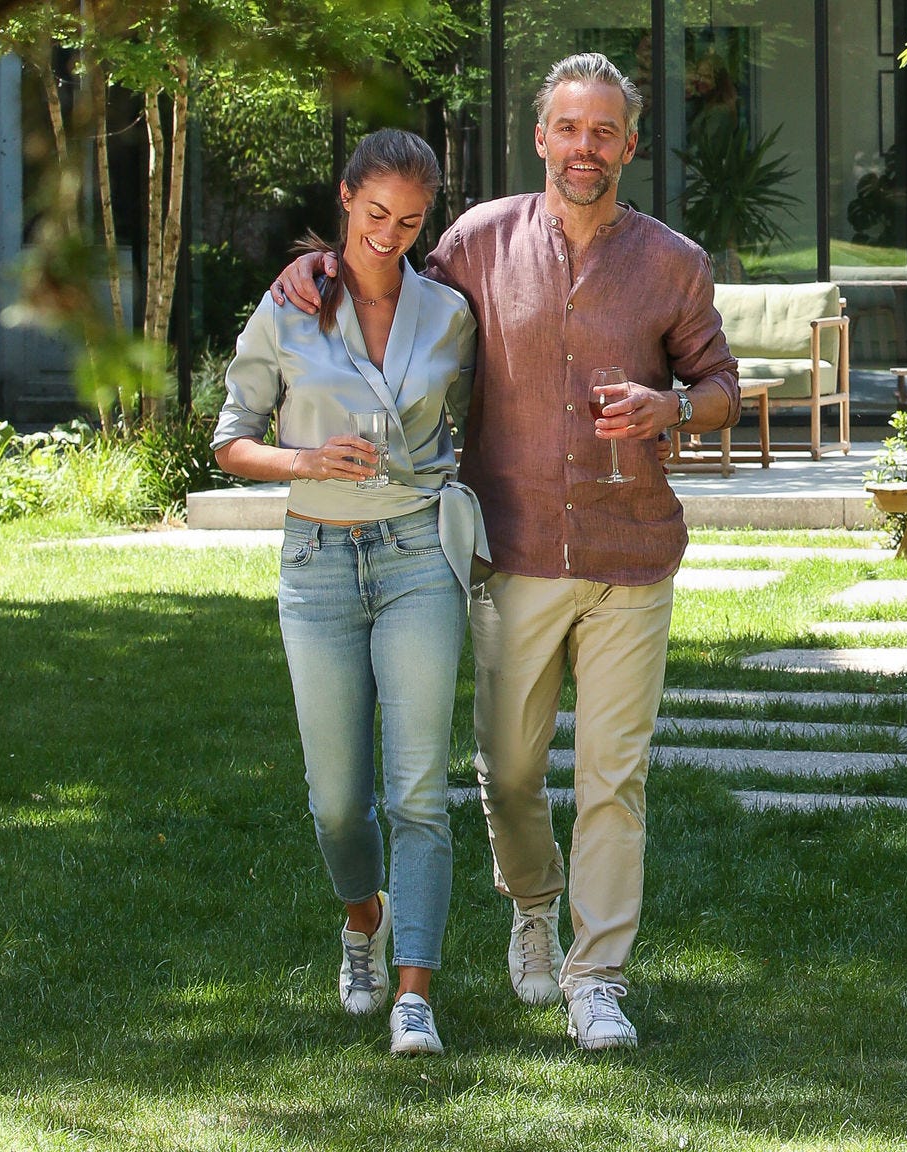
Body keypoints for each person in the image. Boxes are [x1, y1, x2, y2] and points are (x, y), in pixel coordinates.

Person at [272, 53, 740, 1051]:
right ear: (542, 139)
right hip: (512, 554)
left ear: (628, 144)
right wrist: (319, 263)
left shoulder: (672, 262)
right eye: (568, 129)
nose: (585, 148)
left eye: (604, 131)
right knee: (513, 772)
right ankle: (532, 905)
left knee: (615, 777)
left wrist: (672, 407)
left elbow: (721, 389)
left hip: (631, 560)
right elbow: (385, 290)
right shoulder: (477, 243)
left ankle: (596, 975)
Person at [215, 128, 479, 1058]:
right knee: (337, 802)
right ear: (344, 199)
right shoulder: (290, 309)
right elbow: (230, 438)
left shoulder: (448, 314)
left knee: (419, 792)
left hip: (417, 556)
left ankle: (416, 991)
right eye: (374, 217)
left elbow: (476, 423)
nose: (390, 236)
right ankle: (361, 917)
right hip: (317, 560)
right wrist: (303, 458)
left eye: (410, 222)